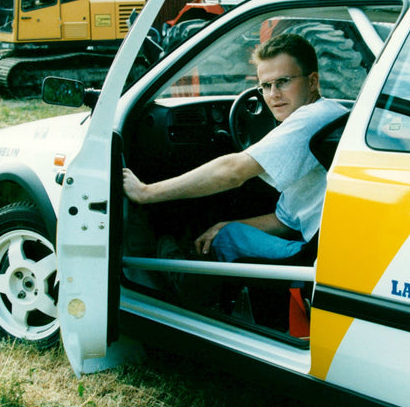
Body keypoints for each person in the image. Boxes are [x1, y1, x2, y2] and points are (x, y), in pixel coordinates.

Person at [123, 33, 348, 263]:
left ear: (312, 82)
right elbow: (286, 222)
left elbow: (232, 172)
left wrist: (146, 192)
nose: (273, 95)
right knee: (226, 231)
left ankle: (183, 286)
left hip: (317, 257)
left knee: (227, 240)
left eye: (283, 82)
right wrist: (224, 225)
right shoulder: (330, 112)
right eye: (266, 86)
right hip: (326, 246)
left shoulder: (311, 119)